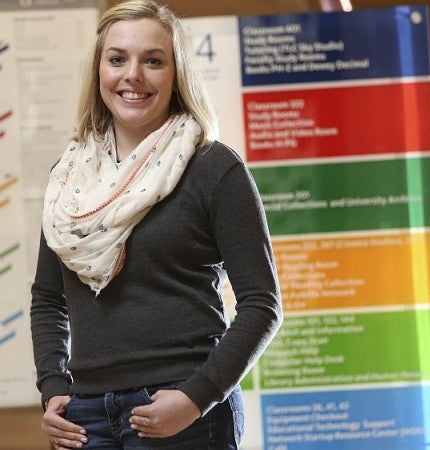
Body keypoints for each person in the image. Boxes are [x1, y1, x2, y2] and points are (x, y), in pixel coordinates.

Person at [30, 1, 282, 448]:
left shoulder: (214, 168)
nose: (133, 75)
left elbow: (263, 305)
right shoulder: (69, 179)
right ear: (99, 71)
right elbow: (49, 301)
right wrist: (53, 388)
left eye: (153, 60)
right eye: (117, 59)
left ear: (176, 73)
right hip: (85, 417)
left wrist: (196, 397)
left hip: (179, 407)